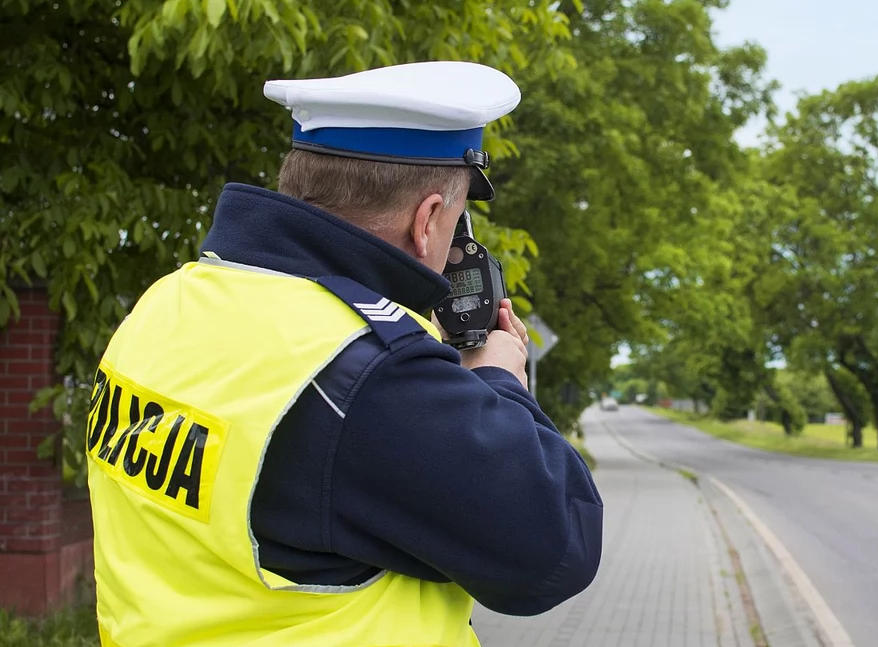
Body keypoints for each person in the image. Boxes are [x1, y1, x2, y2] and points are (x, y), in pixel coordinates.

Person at [84, 61, 603, 647]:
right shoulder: (368, 373)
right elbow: (555, 552)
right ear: (429, 220)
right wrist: (499, 384)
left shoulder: (168, 302)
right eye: (457, 222)